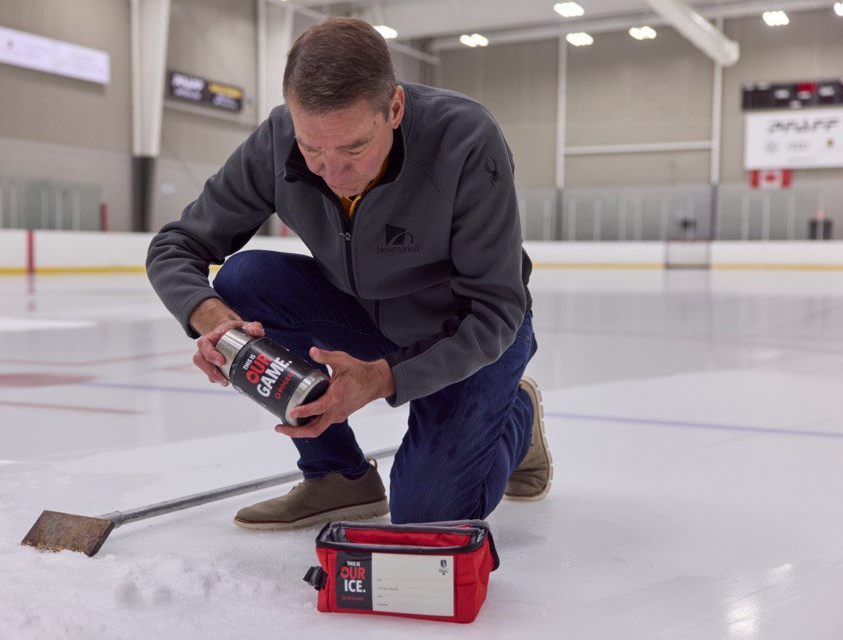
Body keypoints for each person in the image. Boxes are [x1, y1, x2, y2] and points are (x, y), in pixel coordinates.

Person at [146, 17, 551, 530]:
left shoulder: (466, 141)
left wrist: (383, 378)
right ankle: (337, 476)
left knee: (428, 516)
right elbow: (175, 245)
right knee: (243, 281)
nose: (332, 175)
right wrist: (213, 322)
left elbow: (497, 311)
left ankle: (517, 415)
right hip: (362, 315)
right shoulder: (277, 139)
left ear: (395, 108)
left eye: (354, 149)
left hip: (472, 334)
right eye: (311, 149)